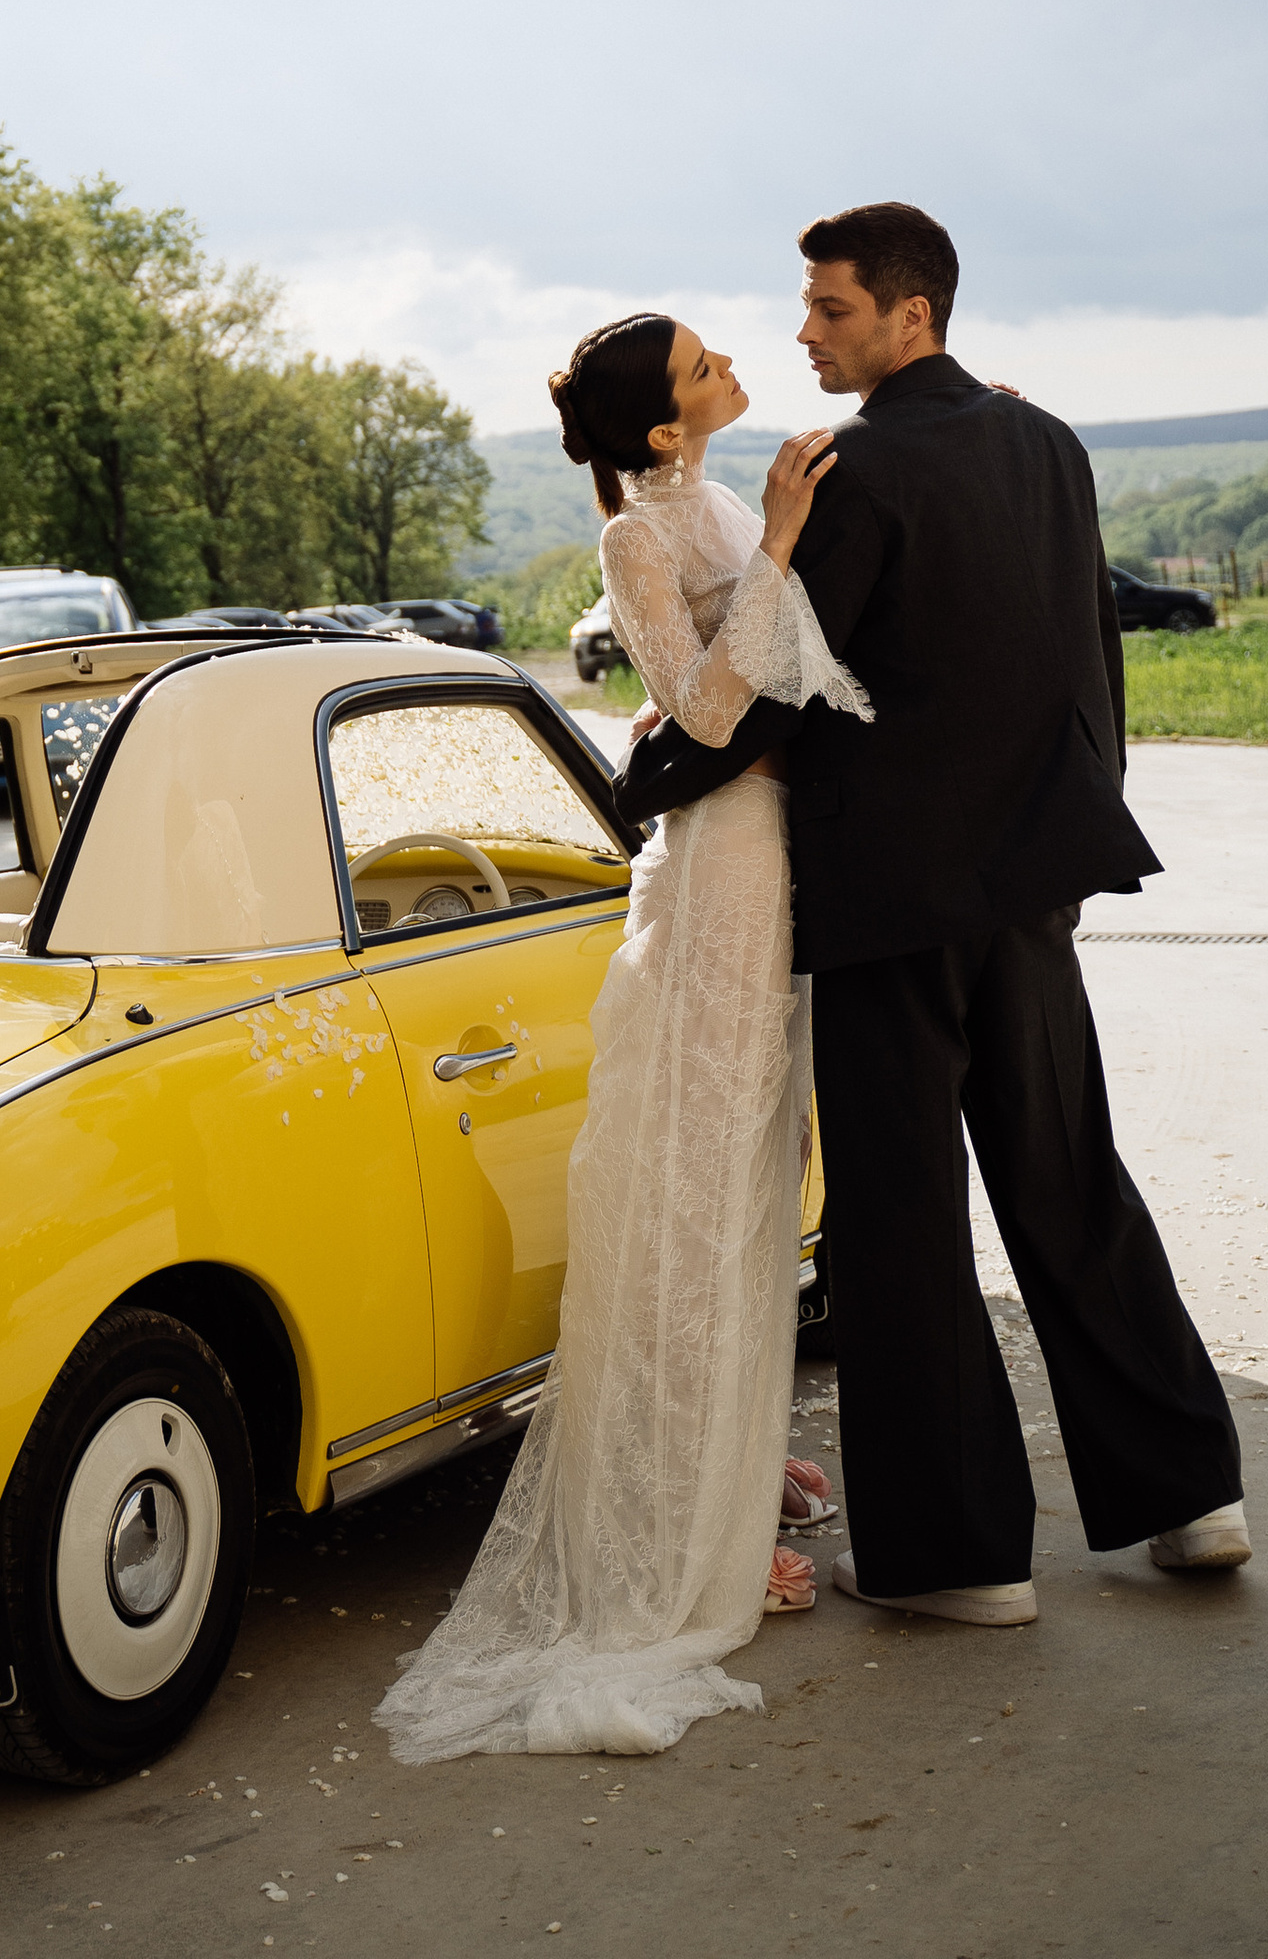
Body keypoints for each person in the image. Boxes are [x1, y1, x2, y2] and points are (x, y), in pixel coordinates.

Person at [376, 310, 870, 1765]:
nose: (729, 365)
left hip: (783, 857)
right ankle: (672, 1536)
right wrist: (779, 549)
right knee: (696, 1193)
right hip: (720, 873)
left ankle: (718, 1465)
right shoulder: (641, 538)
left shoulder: (715, 495)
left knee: (757, 1192)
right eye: (701, 365)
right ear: (662, 429)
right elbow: (704, 707)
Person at [782, 200, 1247, 1625]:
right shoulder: (1051, 442)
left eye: (834, 309)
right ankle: (1191, 1496)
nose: (807, 331)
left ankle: (961, 1559)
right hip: (1032, 890)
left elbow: (795, 686)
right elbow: (1088, 666)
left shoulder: (853, 472)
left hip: (887, 909)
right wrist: (1074, 833)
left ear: (911, 315)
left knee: (903, 1228)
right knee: (1071, 1185)